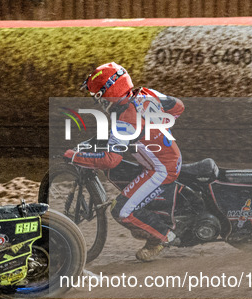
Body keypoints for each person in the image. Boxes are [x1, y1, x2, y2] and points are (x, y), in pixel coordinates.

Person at [64, 62, 185, 261]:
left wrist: (74, 156)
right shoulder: (147, 93)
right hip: (168, 157)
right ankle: (154, 224)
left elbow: (110, 159)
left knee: (121, 210)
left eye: (99, 96)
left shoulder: (125, 121)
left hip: (160, 169)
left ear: (109, 92)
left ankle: (164, 237)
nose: (98, 102)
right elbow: (178, 107)